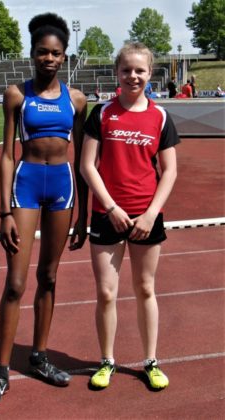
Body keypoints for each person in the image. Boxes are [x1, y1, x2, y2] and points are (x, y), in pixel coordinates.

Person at [0, 12, 88, 408]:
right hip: (25, 186)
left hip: (62, 189)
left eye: (56, 53)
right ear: (32, 54)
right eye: (42, 52)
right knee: (16, 283)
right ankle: (1, 372)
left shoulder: (77, 100)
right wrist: (4, 210)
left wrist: (85, 214)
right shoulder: (16, 95)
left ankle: (40, 356)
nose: (49, 58)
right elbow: (7, 155)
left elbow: (82, 162)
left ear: (64, 56)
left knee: (50, 277)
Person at [80, 42, 180, 390]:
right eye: (126, 70)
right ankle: (107, 361)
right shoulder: (103, 113)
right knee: (106, 293)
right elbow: (86, 166)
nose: (133, 76)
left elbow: (169, 171)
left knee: (145, 288)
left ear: (150, 74)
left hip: (146, 216)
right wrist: (111, 207)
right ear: (116, 73)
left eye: (140, 70)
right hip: (108, 213)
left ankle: (150, 360)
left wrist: (151, 213)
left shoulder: (160, 116)